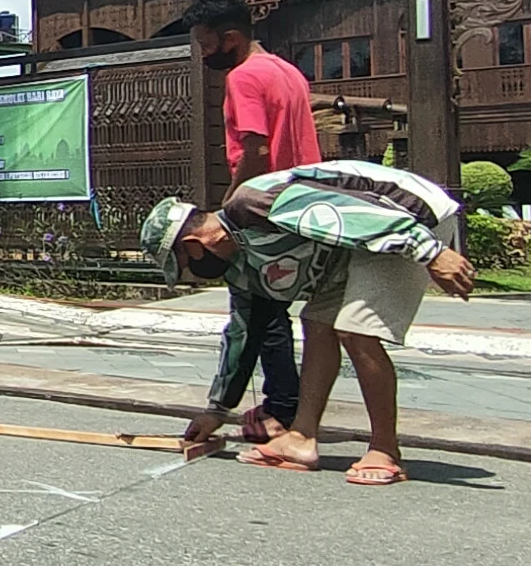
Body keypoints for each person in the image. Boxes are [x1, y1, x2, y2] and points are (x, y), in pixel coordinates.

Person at [143, 160, 476, 486]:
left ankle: (385, 449)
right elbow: (243, 333)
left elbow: (352, 213)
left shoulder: (254, 203)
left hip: (410, 217)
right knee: (317, 322)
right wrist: (217, 410)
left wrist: (431, 252)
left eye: (185, 268)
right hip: (354, 247)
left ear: (194, 246)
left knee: (355, 329)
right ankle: (301, 439)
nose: (194, 279)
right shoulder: (240, 267)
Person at [184, 0, 319, 444]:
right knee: (275, 308)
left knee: (255, 309)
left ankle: (279, 406)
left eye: (206, 44)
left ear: (231, 38)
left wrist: (230, 208)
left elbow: (256, 147)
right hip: (303, 201)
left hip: (265, 206)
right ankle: (283, 403)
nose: (204, 54)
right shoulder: (288, 72)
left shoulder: (244, 77)